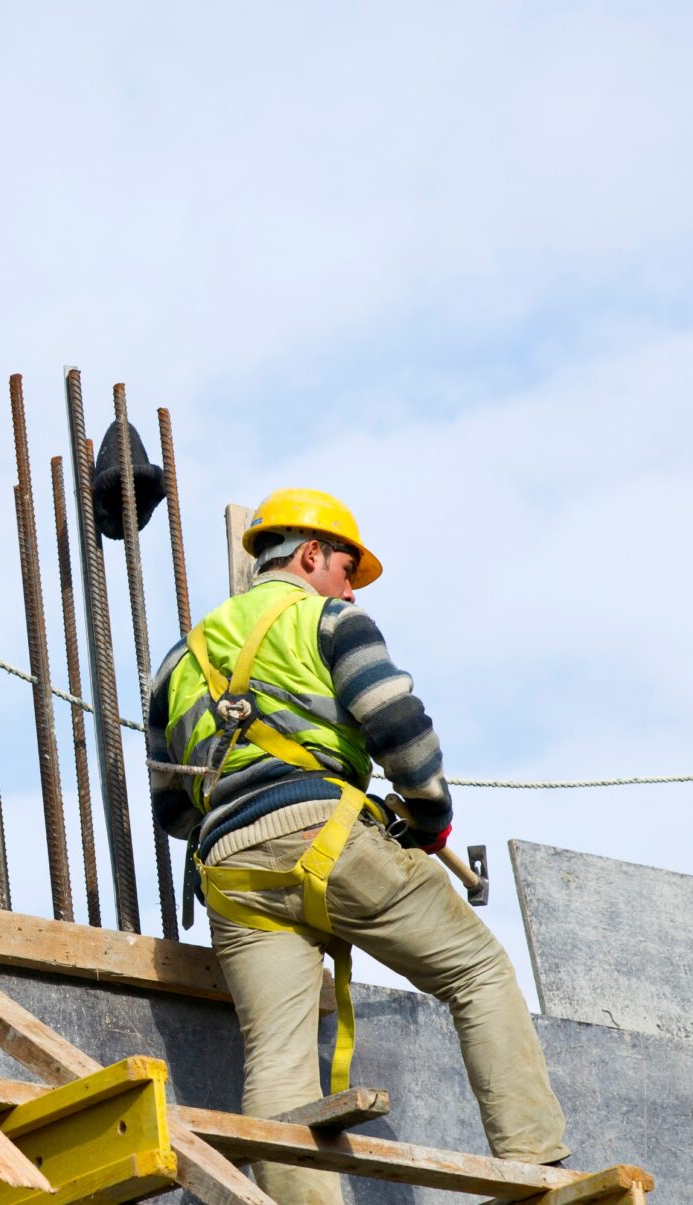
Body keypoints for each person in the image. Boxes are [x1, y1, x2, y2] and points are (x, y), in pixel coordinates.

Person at [145, 488, 569, 1200]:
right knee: (478, 972)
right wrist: (431, 816)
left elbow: (172, 812)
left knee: (278, 1059)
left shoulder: (174, 664)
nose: (350, 583)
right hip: (328, 836)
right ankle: (537, 1167)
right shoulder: (332, 619)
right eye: (346, 566)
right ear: (311, 554)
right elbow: (397, 724)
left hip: (231, 873)